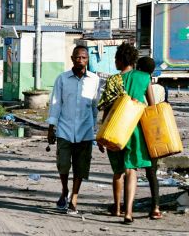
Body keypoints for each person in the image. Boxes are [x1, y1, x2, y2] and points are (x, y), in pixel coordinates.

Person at [97, 42, 155, 224]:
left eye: (115, 58)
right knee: (131, 170)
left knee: (118, 172)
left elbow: (106, 109)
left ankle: (117, 208)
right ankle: (128, 212)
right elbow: (152, 107)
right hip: (135, 130)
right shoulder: (144, 78)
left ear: (121, 60)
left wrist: (101, 135)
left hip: (114, 129)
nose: (115, 61)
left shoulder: (113, 80)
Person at [46, 45, 100, 215]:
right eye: (77, 57)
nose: (80, 60)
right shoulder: (62, 79)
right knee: (63, 165)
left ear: (87, 60)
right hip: (64, 129)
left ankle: (74, 198)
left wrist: (96, 131)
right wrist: (51, 127)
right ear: (72, 59)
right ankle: (64, 191)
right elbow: (55, 103)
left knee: (81, 166)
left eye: (84, 58)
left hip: (85, 130)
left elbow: (95, 107)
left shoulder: (94, 80)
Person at [136, 56, 164, 220]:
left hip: (137, 130)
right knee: (151, 173)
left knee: (130, 170)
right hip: (154, 132)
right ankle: (156, 207)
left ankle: (125, 206)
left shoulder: (136, 84)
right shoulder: (161, 89)